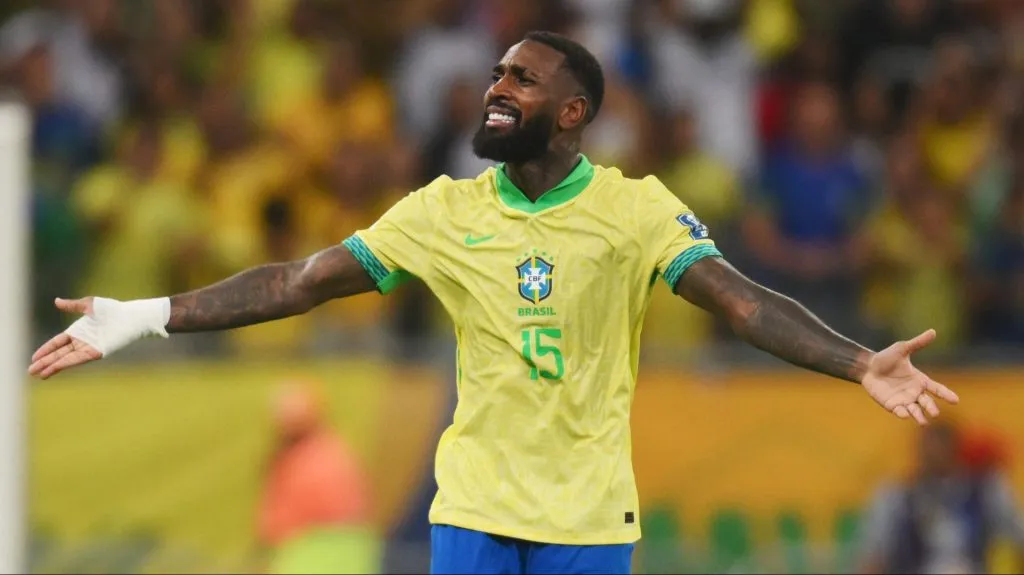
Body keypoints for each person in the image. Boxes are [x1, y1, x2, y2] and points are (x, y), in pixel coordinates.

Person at [29, 31, 960, 575]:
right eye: (494, 74)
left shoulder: (635, 208)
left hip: (590, 519)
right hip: (471, 509)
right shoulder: (445, 210)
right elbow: (298, 281)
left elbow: (742, 302)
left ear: (572, 112)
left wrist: (855, 361)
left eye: (522, 77)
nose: (496, 87)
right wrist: (143, 314)